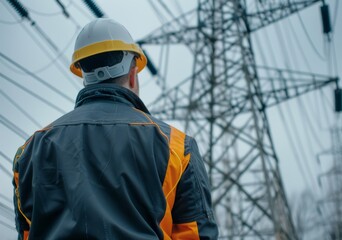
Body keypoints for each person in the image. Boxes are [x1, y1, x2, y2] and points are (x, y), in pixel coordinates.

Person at [12, 18, 218, 239]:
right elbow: (196, 235)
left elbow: (27, 233)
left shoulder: (31, 151)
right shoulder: (176, 147)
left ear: (84, 76)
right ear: (132, 75)